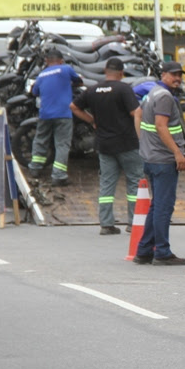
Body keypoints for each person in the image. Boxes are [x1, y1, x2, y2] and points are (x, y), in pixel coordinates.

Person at [69, 57, 143, 236]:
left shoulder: (93, 90)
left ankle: (106, 224)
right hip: (127, 143)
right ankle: (134, 223)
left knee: (107, 185)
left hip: (104, 144)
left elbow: (73, 106)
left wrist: (92, 120)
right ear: (121, 73)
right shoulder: (124, 89)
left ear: (105, 71)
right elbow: (136, 112)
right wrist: (141, 138)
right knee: (135, 182)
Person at [133, 61, 185, 266]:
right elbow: (160, 125)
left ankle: (144, 251)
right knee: (163, 208)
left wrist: (144, 143)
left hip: (151, 158)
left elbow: (138, 114)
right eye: (173, 75)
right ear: (163, 74)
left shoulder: (154, 92)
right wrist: (177, 153)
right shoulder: (165, 96)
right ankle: (162, 252)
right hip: (164, 160)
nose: (177, 78)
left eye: (180, 75)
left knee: (157, 206)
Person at [29, 47, 83, 186]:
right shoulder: (66, 69)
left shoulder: (41, 75)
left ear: (46, 61)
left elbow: (34, 92)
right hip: (63, 113)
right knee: (62, 144)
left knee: (41, 140)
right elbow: (79, 82)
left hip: (45, 113)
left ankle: (35, 168)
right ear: (61, 60)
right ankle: (58, 176)